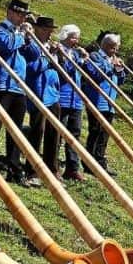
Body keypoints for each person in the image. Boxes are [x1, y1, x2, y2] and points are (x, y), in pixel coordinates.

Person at [0, 0, 38, 182]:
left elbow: (34, 55)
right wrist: (21, 36)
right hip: (1, 85)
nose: (23, 18)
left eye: (24, 15)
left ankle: (14, 169)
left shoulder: (20, 35)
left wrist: (29, 39)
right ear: (10, 12)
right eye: (20, 14)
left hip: (18, 87)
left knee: (16, 131)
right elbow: (6, 46)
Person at [23, 16, 61, 181]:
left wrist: (59, 56)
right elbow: (32, 68)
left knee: (54, 133)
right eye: (45, 30)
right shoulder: (30, 45)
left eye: (50, 31)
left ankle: (52, 168)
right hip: (37, 93)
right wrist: (48, 58)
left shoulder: (50, 47)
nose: (49, 34)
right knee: (37, 131)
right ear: (37, 29)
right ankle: (32, 169)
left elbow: (60, 70)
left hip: (52, 94)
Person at [84, 32, 126, 176]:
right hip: (97, 100)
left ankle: (100, 162)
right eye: (115, 48)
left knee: (104, 135)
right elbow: (96, 74)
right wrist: (110, 65)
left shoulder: (112, 59)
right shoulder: (95, 56)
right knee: (95, 132)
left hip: (110, 102)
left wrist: (120, 70)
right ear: (108, 46)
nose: (116, 51)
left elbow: (120, 81)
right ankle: (89, 163)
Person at [55, 23, 89, 181]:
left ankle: (72, 168)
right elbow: (64, 70)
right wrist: (80, 62)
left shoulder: (75, 54)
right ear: (66, 37)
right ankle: (53, 165)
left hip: (76, 100)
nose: (77, 41)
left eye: (78, 38)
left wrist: (83, 59)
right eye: (74, 37)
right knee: (57, 134)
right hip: (62, 97)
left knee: (75, 134)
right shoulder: (59, 51)